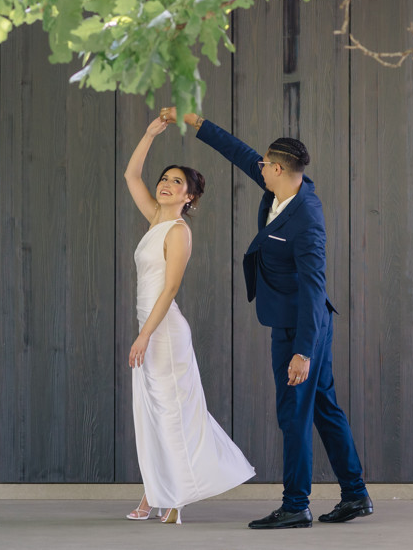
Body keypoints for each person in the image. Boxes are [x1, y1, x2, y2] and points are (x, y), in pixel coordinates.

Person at [163, 107, 373, 530]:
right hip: (291, 319)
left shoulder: (307, 220)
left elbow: (315, 292)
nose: (258, 167)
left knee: (293, 412)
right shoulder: (282, 185)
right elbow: (239, 153)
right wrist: (197, 122)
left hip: (303, 326)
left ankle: (296, 505)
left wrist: (302, 353)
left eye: (264, 165)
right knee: (324, 408)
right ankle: (355, 495)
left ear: (278, 169)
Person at [122, 114, 255, 525]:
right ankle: (154, 492)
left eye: (177, 182)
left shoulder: (177, 231)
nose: (165, 184)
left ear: (190, 197)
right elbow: (131, 174)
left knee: (171, 412)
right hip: (149, 328)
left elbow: (171, 289)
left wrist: (144, 335)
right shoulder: (155, 219)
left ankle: (174, 499)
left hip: (162, 332)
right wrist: (148, 134)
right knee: (151, 413)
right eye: (165, 178)